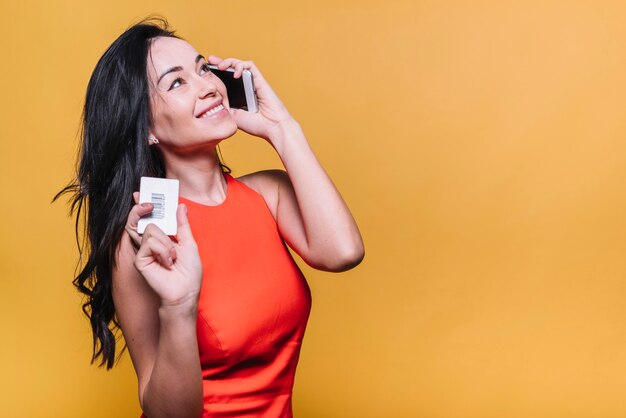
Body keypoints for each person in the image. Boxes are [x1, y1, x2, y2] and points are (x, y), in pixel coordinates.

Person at [57, 17, 364, 418]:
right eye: (177, 82)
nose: (208, 86)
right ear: (146, 128)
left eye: (203, 68)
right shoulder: (149, 233)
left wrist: (283, 129)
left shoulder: (267, 193)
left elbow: (343, 252)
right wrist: (179, 305)